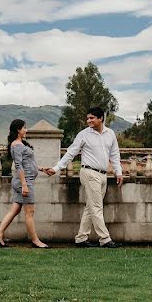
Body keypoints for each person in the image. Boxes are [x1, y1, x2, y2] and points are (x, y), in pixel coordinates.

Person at [43, 106, 123, 248]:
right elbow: (71, 153)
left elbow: (115, 154)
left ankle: (81, 238)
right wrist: (56, 168)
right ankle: (105, 239)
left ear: (101, 118)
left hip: (103, 175)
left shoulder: (110, 134)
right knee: (97, 207)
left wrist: (119, 172)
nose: (88, 120)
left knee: (91, 207)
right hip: (89, 173)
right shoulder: (83, 134)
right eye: (88, 118)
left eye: (92, 118)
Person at [0, 119, 50, 248]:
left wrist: (41, 169)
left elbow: (28, 163)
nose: (26, 130)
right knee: (29, 213)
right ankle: (35, 241)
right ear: (18, 129)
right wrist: (24, 185)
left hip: (24, 181)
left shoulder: (20, 144)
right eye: (24, 128)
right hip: (24, 182)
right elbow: (19, 165)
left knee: (14, 210)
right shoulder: (16, 145)